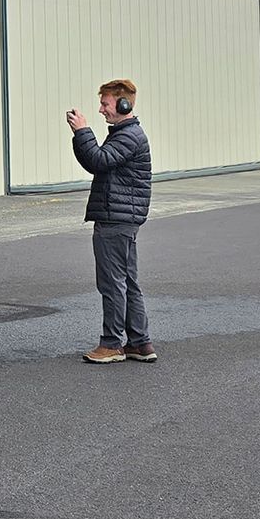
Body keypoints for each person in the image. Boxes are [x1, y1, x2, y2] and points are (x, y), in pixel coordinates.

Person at [69, 78, 155, 364]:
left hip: (116, 219)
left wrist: (82, 131)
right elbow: (99, 161)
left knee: (112, 283)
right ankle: (139, 343)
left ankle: (112, 344)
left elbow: (98, 161)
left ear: (123, 103)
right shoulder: (124, 133)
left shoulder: (128, 136)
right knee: (127, 281)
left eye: (105, 103)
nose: (101, 109)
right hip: (121, 217)